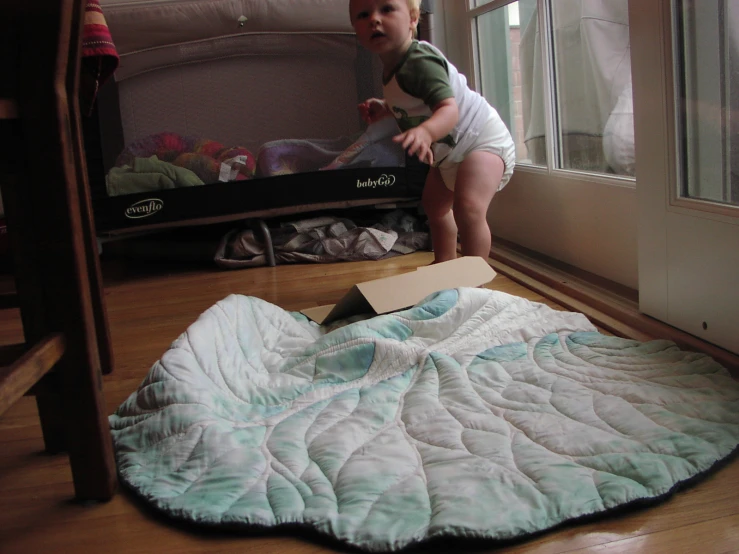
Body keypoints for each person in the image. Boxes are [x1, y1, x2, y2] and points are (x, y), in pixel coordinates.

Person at [349, 0, 516, 263]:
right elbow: (413, 104)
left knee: (469, 209)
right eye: (363, 14)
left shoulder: (420, 61)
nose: (374, 19)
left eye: (387, 9)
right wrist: (387, 108)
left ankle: (475, 281)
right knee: (435, 206)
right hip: (447, 152)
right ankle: (444, 264)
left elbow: (449, 110)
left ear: (413, 19)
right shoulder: (393, 68)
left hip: (480, 139)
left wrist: (426, 132)